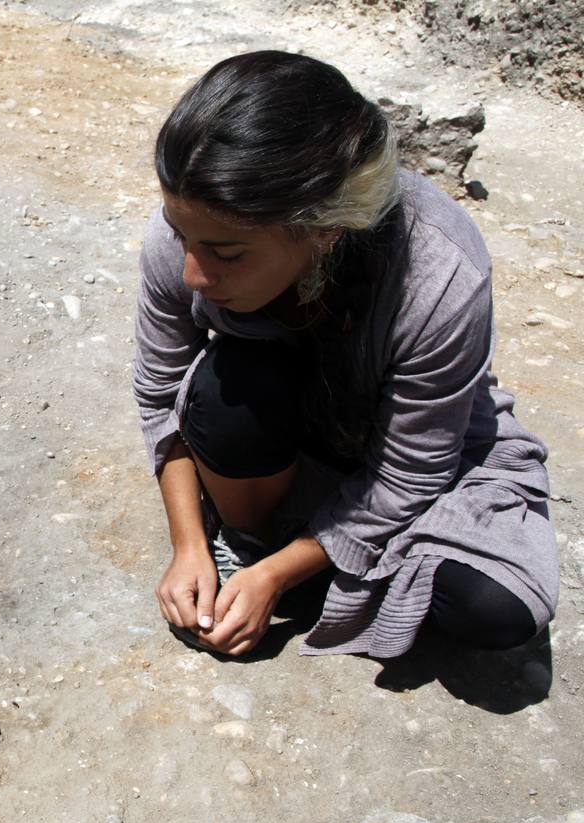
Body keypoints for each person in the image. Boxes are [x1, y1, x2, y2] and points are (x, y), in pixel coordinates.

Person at [132, 50, 558, 659]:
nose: (193, 273)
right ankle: (252, 538)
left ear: (325, 231)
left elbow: (413, 470)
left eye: (227, 255)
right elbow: (160, 392)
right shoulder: (195, 232)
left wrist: (279, 577)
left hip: (394, 449)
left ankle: (300, 556)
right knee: (228, 391)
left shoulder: (439, 274)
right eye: (181, 236)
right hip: (271, 420)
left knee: (493, 610)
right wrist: (190, 545)